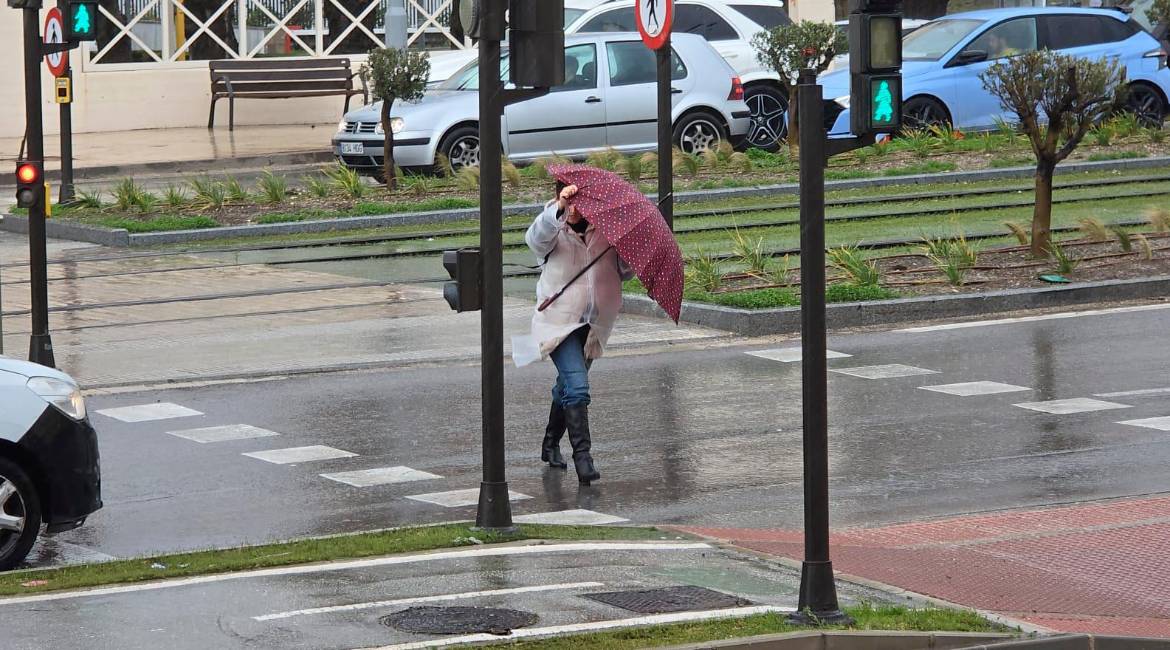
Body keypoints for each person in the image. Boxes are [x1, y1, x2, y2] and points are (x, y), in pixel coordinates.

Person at [524, 181, 633, 485]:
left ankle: (549, 444)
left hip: (593, 323)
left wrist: (625, 247)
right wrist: (558, 208)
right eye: (568, 202)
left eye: (579, 201)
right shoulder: (552, 227)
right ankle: (583, 458)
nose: (574, 209)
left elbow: (623, 272)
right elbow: (534, 240)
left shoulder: (606, 232)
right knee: (579, 387)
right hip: (558, 323)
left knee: (567, 388)